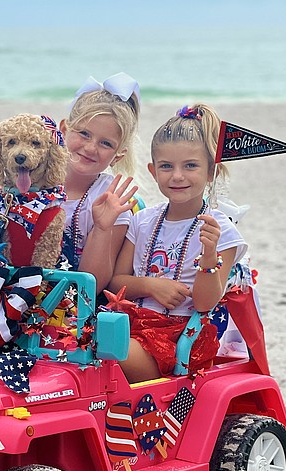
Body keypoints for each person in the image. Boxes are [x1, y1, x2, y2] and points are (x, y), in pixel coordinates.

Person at [108, 103, 248, 383]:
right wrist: (151, 285)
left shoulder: (222, 231)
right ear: (152, 170)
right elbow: (116, 282)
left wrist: (209, 256)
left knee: (111, 351)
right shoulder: (143, 221)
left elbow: (205, 302)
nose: (177, 176)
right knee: (81, 344)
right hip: (134, 320)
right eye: (166, 166)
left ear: (212, 172)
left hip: (179, 335)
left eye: (191, 166)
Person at [57, 73, 141, 293]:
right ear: (64, 130)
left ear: (118, 155)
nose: (91, 147)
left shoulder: (112, 200)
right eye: (84, 134)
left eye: (105, 143)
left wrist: (103, 229)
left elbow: (93, 287)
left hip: (71, 311)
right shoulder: (30, 180)